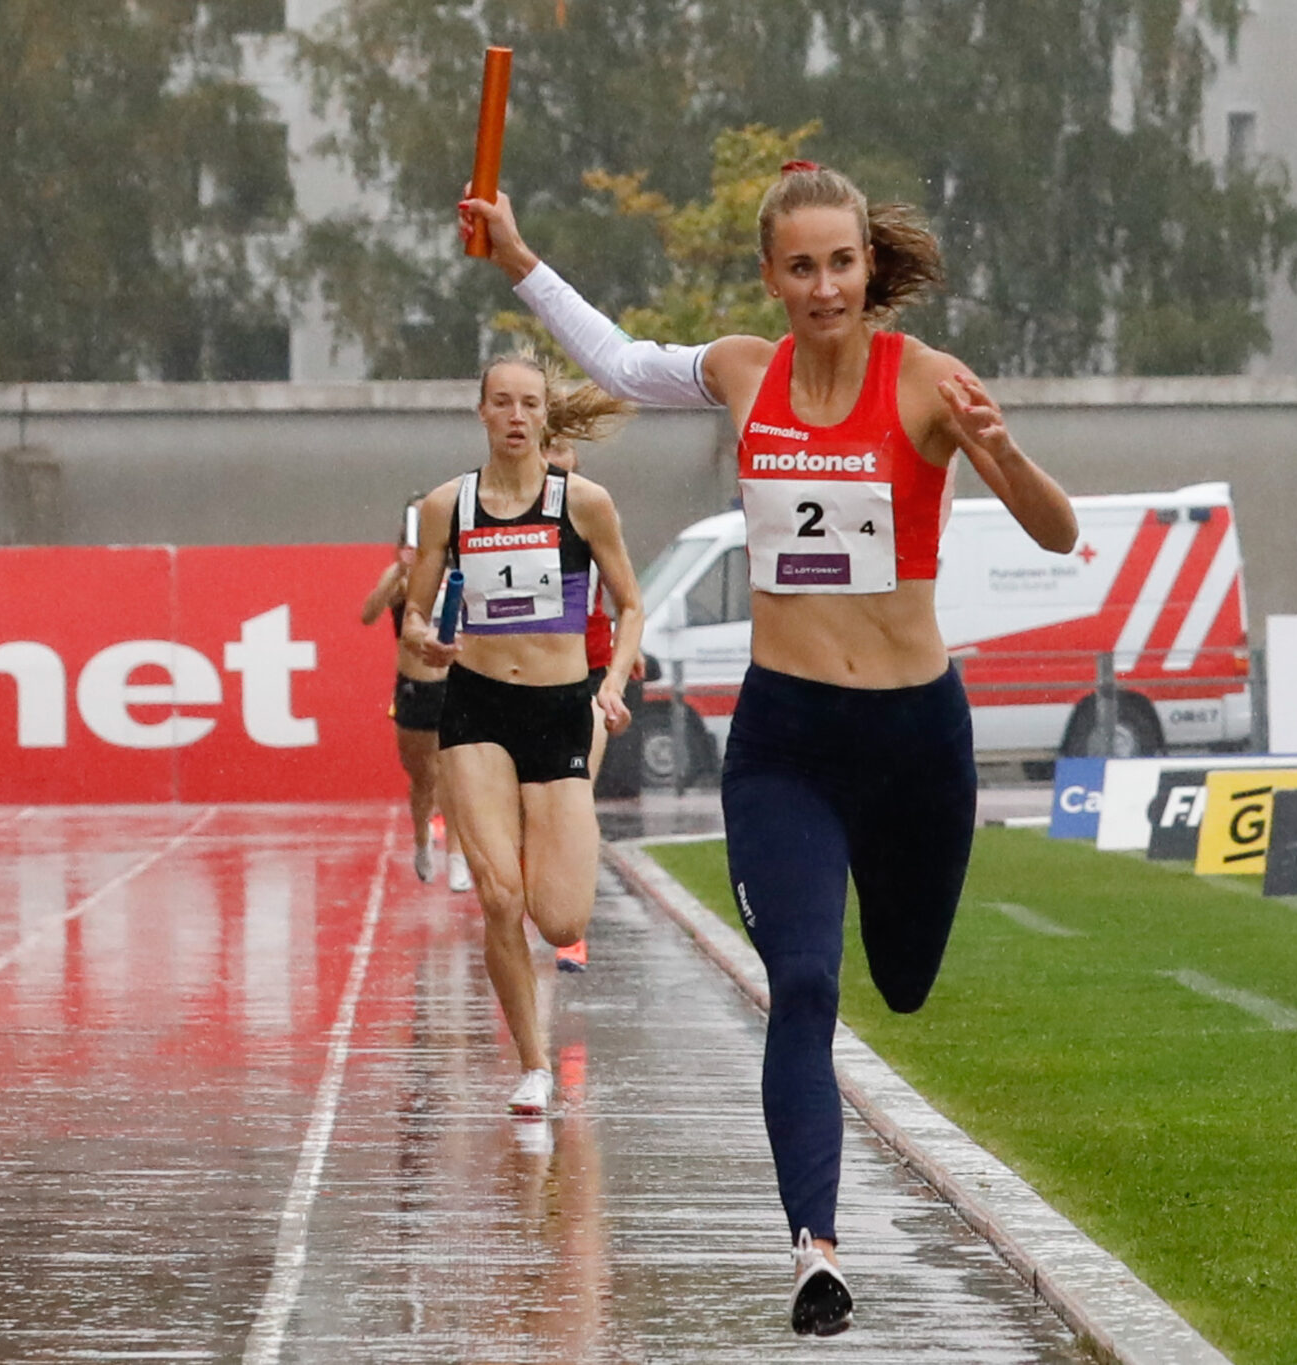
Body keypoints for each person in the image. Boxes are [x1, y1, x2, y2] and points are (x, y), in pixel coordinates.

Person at [461, 160, 1077, 1336]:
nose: (821, 286)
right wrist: (518, 258)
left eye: (839, 263)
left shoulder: (930, 383)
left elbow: (1053, 532)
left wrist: (998, 454)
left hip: (913, 739)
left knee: (899, 981)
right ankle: (815, 1248)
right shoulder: (749, 373)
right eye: (798, 267)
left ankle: (829, 1192)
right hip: (787, 736)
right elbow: (620, 362)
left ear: (867, 268)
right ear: (770, 276)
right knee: (800, 984)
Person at [400, 351, 646, 1119]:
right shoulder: (450, 506)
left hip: (561, 709)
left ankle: (550, 832)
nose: (514, 416)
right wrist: (428, 641)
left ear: (546, 416)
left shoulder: (584, 503)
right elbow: (413, 615)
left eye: (528, 404)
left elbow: (631, 605)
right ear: (481, 412)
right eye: (500, 402)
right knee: (500, 896)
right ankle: (533, 1064)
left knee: (561, 917)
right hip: (476, 710)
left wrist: (611, 682)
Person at [543, 433, 643, 975]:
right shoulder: (499, 508)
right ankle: (531, 902)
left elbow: (622, 591)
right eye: (545, 447)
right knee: (529, 807)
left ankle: (572, 931)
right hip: (527, 679)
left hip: (590, 671)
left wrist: (630, 654)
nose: (553, 459)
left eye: (562, 448)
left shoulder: (589, 504)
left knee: (576, 797)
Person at [358, 500, 473, 892]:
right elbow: (368, 614)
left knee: (454, 776)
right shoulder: (401, 576)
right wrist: (398, 577)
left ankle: (457, 855)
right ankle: (423, 839)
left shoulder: (460, 570)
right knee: (422, 778)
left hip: (454, 684)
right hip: (413, 685)